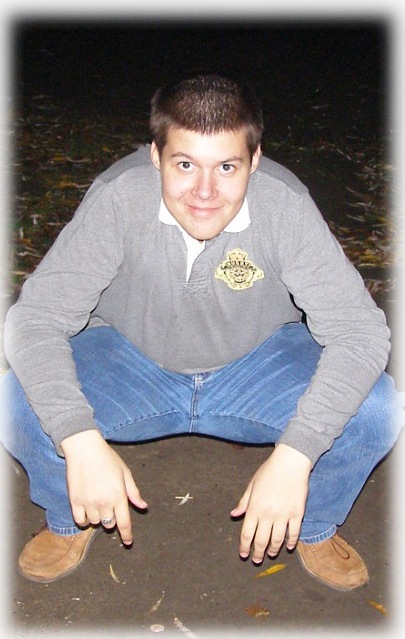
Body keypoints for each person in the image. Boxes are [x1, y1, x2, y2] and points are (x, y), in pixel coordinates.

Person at [0, 74, 403, 590]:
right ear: (156, 156)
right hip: (130, 361)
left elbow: (360, 332)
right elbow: (35, 318)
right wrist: (77, 437)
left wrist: (297, 453)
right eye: (185, 164)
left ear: (254, 161)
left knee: (378, 409)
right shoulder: (119, 198)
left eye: (227, 167)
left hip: (255, 364)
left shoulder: (284, 206)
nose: (205, 192)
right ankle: (69, 515)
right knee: (15, 399)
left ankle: (313, 522)